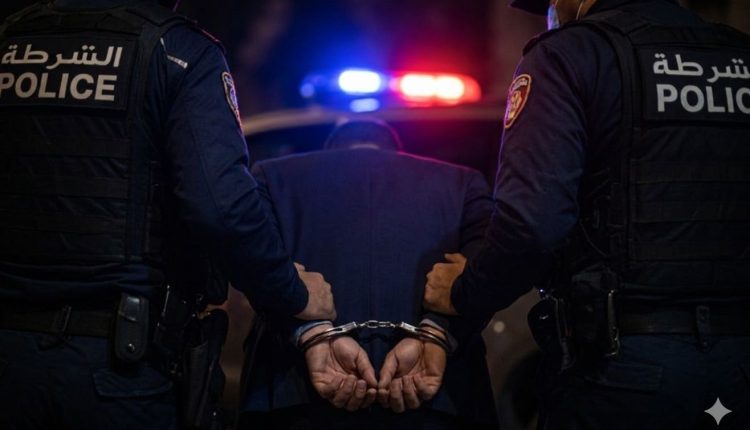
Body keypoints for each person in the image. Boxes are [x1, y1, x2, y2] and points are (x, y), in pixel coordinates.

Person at [0, 1, 335, 429]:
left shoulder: (11, 39)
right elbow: (222, 207)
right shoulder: (177, 50)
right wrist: (292, 292)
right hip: (118, 365)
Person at [424, 0, 750, 429]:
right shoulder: (738, 55)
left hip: (625, 371)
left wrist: (466, 291)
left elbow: (531, 225)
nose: (551, 11)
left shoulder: (570, 54)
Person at [239, 119, 497, 430]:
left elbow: (251, 259)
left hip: (295, 396)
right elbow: (489, 268)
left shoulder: (271, 176)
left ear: (330, 150)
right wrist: (438, 330)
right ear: (396, 151)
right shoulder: (464, 182)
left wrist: (311, 330)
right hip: (440, 397)